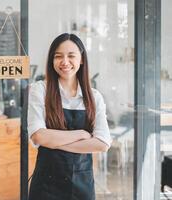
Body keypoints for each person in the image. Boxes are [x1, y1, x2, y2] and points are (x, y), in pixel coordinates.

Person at [27, 33, 112, 200]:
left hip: (82, 184)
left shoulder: (94, 97)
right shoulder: (40, 90)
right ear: (52, 60)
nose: (64, 62)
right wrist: (80, 135)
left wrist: (54, 142)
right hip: (46, 185)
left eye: (71, 56)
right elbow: (38, 136)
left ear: (81, 59)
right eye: (58, 56)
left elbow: (102, 143)